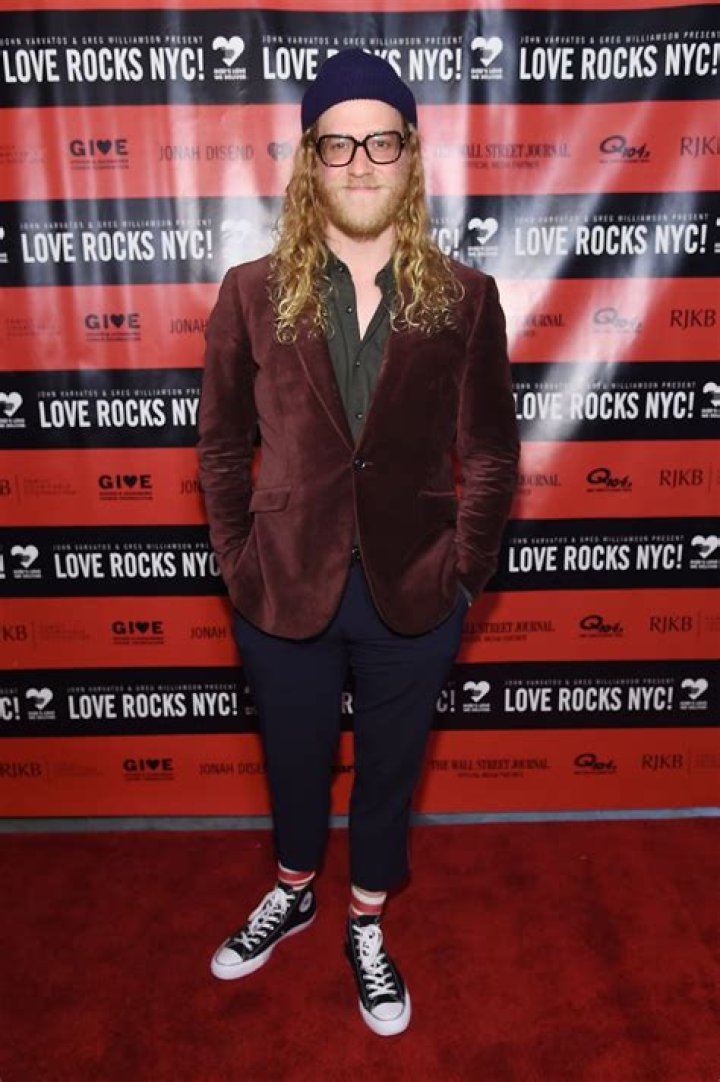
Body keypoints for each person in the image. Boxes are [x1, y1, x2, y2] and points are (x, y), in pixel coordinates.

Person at [197, 48, 519, 1037]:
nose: (361, 162)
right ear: (312, 161)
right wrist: (240, 565)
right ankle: (294, 889)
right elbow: (220, 447)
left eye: (381, 141)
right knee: (293, 764)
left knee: (388, 773)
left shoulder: (465, 297)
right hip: (281, 584)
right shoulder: (249, 292)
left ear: (409, 156)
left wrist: (464, 575)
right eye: (339, 144)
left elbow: (490, 453)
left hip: (415, 590)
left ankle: (366, 920)